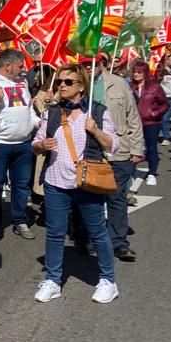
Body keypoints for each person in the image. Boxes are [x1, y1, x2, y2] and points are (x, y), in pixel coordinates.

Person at [32, 63, 120, 304]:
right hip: (56, 182)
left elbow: (113, 145)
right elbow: (36, 142)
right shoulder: (51, 112)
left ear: (81, 86)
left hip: (87, 181)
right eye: (60, 81)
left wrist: (96, 131)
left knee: (97, 232)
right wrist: (42, 145)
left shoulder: (97, 111)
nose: (61, 85)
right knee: (55, 233)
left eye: (68, 82)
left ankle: (107, 280)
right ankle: (52, 280)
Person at [0, 48, 41, 240]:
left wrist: (38, 122)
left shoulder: (22, 82)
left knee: (21, 185)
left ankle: (19, 221)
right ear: (7, 65)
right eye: (21, 66)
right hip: (0, 144)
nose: (24, 70)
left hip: (24, 143)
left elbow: (28, 108)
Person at [90, 54, 144, 261]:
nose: (87, 68)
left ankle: (119, 243)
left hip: (118, 150)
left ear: (101, 64)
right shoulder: (78, 83)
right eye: (84, 64)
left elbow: (132, 116)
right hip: (91, 150)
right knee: (90, 199)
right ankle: (88, 238)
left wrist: (137, 149)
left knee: (117, 198)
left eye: (91, 64)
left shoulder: (119, 84)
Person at [129, 60, 168, 187]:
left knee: (151, 148)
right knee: (132, 148)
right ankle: (130, 172)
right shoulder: (129, 86)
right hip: (133, 123)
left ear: (145, 73)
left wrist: (154, 113)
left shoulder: (155, 87)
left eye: (139, 72)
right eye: (134, 72)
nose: (136, 74)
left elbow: (165, 104)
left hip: (151, 123)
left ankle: (152, 173)